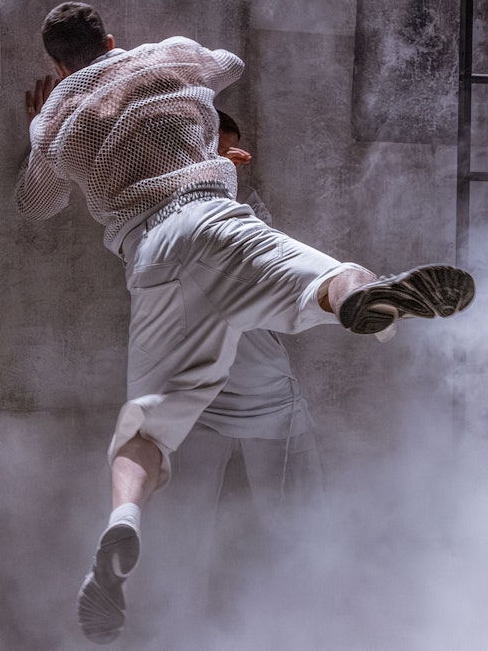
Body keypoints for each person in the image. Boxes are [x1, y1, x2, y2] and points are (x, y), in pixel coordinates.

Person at [16, 2, 476, 644]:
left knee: (144, 427)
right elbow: (226, 64)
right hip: (212, 215)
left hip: (149, 256)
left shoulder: (59, 120)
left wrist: (51, 114)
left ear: (57, 64)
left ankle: (123, 518)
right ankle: (358, 297)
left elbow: (34, 202)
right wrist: (147, 71)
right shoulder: (163, 57)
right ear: (112, 38)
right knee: (325, 278)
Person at [124, 110, 328, 641]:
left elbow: (265, 260)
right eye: (211, 154)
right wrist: (49, 135)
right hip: (199, 413)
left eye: (229, 155)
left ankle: (309, 634)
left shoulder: (246, 217)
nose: (224, 164)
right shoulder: (157, 218)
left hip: (271, 407)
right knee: (180, 549)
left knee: (301, 536)